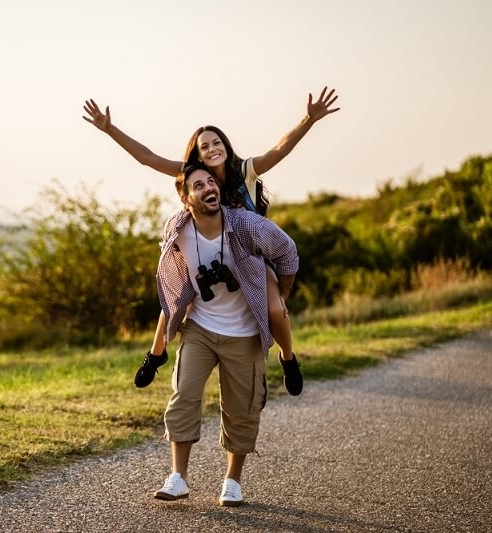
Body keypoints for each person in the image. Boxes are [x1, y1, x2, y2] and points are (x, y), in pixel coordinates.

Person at [83, 88, 339, 394]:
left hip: (249, 256)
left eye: (217, 142)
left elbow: (279, 149)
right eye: (205, 146)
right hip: (206, 253)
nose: (212, 148)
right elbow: (147, 158)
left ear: (226, 146)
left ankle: (288, 358)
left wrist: (308, 119)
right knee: (174, 299)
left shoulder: (245, 171)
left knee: (275, 310)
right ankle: (156, 355)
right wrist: (109, 128)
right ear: (198, 154)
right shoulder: (192, 174)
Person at [149, 163, 299, 505]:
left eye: (210, 181)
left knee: (241, 409)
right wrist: (158, 347)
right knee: (183, 394)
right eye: (197, 185)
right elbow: (172, 280)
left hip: (245, 332)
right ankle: (178, 477)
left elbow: (288, 251)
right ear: (186, 198)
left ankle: (232, 481)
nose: (207, 187)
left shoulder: (246, 225)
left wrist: (280, 295)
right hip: (200, 327)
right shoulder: (177, 227)